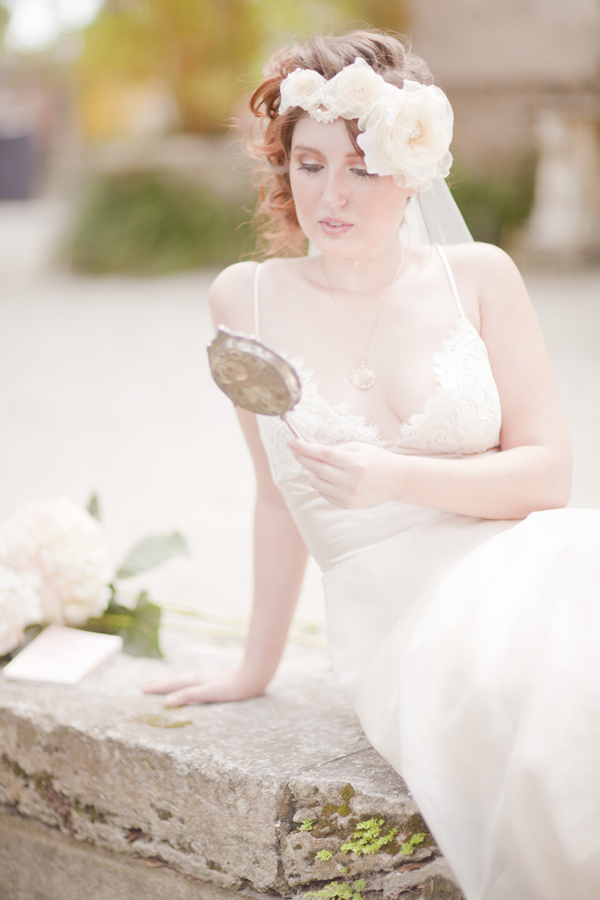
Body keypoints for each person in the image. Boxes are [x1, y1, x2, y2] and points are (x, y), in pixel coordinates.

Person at [143, 30, 600, 900]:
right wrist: (253, 667)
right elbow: (275, 502)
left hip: (526, 557)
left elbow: (549, 476)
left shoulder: (481, 277)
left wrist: (395, 476)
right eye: (308, 165)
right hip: (402, 618)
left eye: (361, 166)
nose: (330, 194)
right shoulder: (244, 297)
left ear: (414, 167)